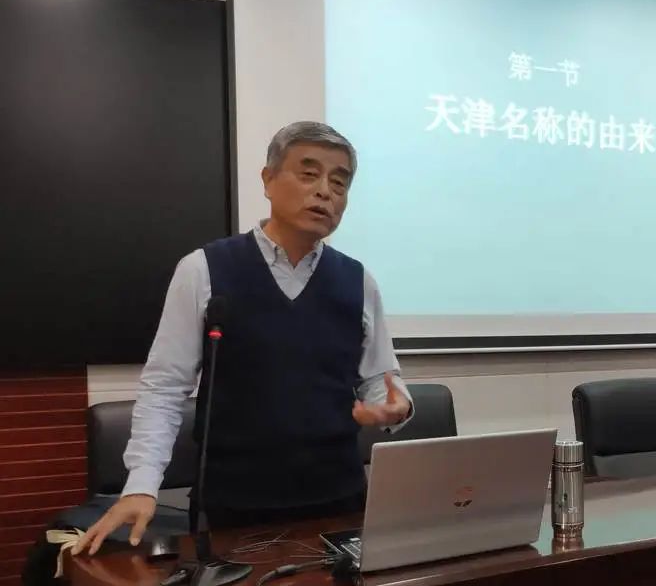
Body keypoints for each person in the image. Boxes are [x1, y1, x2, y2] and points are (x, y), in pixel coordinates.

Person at [74, 121, 411, 556]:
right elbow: (165, 387)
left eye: (339, 182)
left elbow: (380, 378)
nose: (325, 191)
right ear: (268, 180)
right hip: (234, 505)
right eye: (309, 174)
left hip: (338, 499)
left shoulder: (358, 280)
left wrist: (396, 406)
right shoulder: (204, 269)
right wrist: (141, 485)